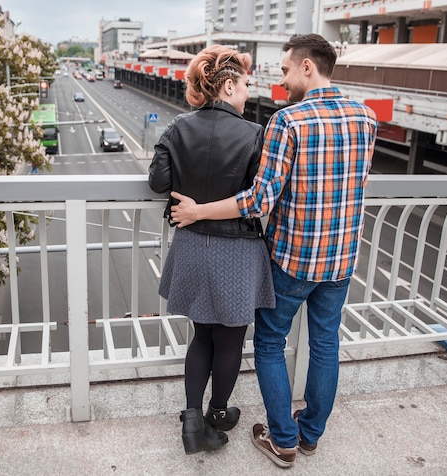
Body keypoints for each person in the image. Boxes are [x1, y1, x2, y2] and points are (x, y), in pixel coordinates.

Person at [169, 34, 377, 468]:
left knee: (268, 343)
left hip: (294, 258)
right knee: (324, 344)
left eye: (284, 70)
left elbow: (259, 200)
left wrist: (199, 210)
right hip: (340, 259)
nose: (280, 81)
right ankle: (311, 433)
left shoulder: (289, 121)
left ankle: (283, 438)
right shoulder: (366, 117)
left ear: (306, 67)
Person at [148, 45, 275, 455]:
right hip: (236, 250)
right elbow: (259, 196)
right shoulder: (255, 133)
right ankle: (217, 412)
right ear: (227, 84)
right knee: (230, 340)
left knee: (201, 335)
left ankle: (190, 418)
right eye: (244, 84)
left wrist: (187, 202)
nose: (248, 92)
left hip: (190, 244)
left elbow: (157, 181)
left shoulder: (178, 126)